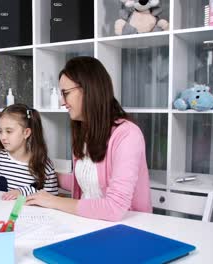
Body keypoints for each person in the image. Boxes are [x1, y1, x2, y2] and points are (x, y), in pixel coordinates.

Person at [25, 56, 151, 221]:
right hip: (89, 224)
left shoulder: (127, 135)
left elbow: (114, 208)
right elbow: (90, 185)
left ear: (88, 89)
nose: (63, 102)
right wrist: (46, 174)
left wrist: (53, 201)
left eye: (66, 93)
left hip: (127, 229)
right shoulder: (84, 131)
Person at [0, 103, 58, 200]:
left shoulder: (44, 165)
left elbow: (52, 198)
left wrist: (22, 192)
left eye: (9, 131)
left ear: (26, 133)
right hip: (0, 212)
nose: (3, 137)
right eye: (0, 131)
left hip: (28, 214)